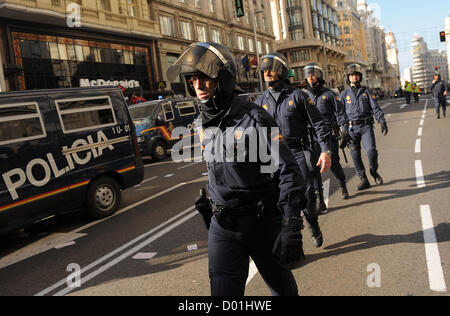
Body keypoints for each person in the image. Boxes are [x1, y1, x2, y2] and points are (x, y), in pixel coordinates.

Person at [167, 42, 308, 296]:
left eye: (204, 78)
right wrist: (212, 201)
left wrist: (292, 222)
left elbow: (288, 171)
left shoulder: (255, 118)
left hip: (261, 224)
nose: (197, 86)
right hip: (223, 227)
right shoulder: (201, 123)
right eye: (192, 79)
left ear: (223, 78)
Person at [254, 53, 332, 248]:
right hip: (270, 156)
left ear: (280, 71)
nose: (267, 73)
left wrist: (325, 151)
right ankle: (291, 245)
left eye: (271, 69)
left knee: (304, 197)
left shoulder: (298, 96)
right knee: (275, 201)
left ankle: (313, 224)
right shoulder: (259, 101)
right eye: (264, 70)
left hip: (296, 153)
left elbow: (319, 125)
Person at [302, 63, 350, 206]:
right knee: (313, 167)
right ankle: (320, 200)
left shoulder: (329, 94)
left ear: (318, 76)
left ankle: (342, 184)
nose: (310, 78)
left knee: (334, 164)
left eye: (312, 74)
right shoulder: (303, 96)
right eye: (308, 75)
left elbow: (340, 114)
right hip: (311, 137)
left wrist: (345, 131)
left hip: (328, 135)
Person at [340, 64, 388, 190]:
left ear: (359, 77)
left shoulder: (366, 91)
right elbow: (341, 114)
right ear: (348, 78)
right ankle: (363, 179)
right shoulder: (344, 94)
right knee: (355, 155)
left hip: (366, 126)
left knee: (371, 151)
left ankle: (373, 170)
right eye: (351, 75)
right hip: (351, 129)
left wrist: (381, 120)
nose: (354, 77)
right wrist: (343, 131)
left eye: (356, 75)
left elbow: (375, 107)